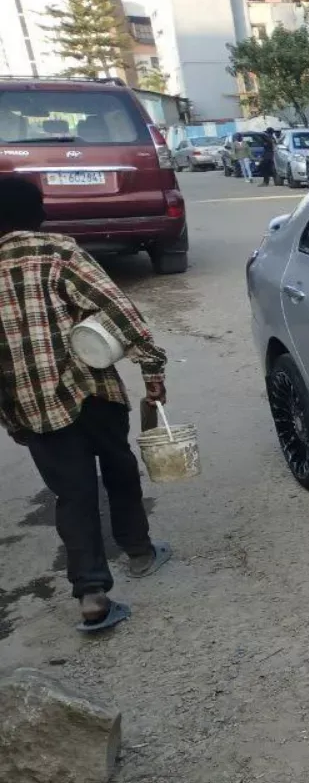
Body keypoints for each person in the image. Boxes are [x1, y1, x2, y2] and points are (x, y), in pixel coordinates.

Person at [0, 175, 173, 633]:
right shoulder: (59, 252)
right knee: (118, 466)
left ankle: (91, 595)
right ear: (38, 213)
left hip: (34, 406)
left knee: (72, 494)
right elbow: (118, 311)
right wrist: (152, 371)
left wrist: (12, 417)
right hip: (91, 390)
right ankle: (139, 550)